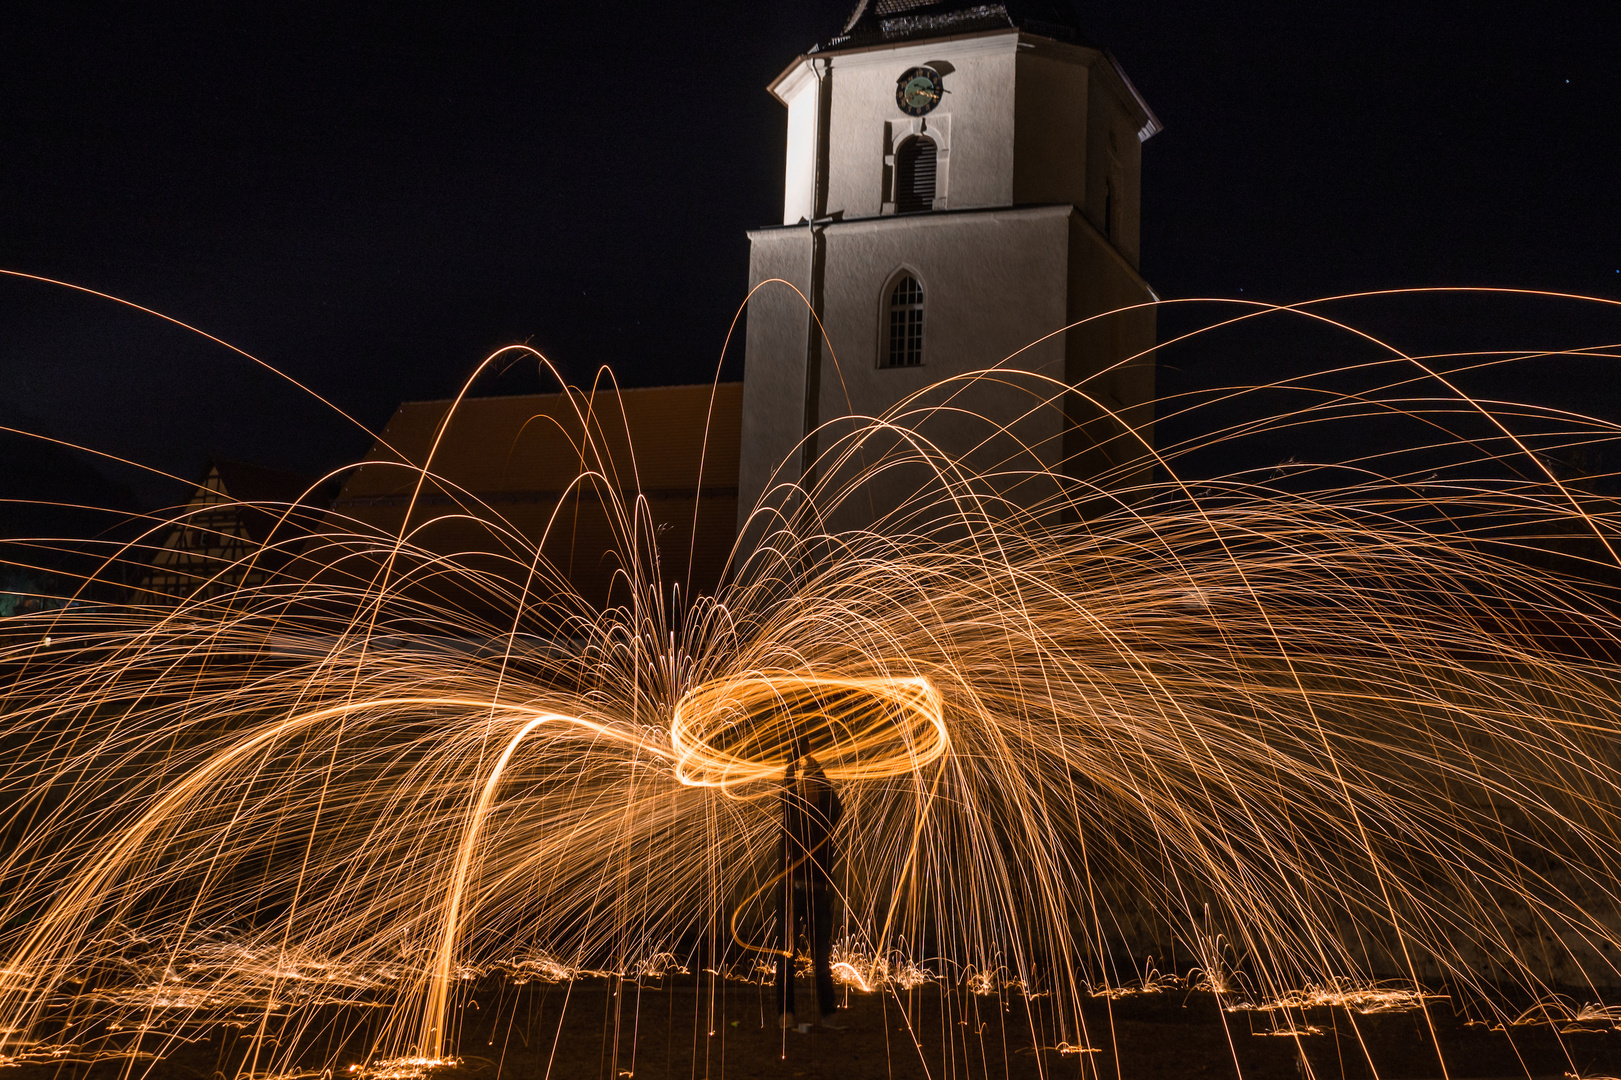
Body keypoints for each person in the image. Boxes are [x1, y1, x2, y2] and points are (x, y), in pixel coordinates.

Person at [777, 737, 845, 1031]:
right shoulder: (793, 809)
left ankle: (828, 1016)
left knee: (821, 959)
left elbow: (837, 803)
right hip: (791, 894)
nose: (810, 787)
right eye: (807, 784)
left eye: (814, 784)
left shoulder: (827, 816)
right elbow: (786, 785)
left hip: (818, 894)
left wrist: (813, 763)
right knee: (787, 957)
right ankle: (785, 1015)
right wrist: (796, 758)